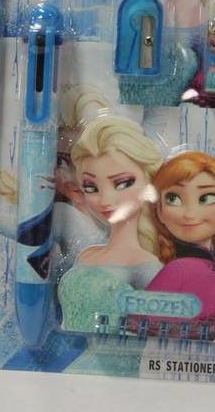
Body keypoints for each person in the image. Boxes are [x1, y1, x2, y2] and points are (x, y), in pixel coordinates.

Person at [57, 115, 163, 332]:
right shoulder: (86, 254)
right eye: (91, 187)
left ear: (148, 180)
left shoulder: (147, 266)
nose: (105, 200)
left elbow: (157, 330)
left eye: (122, 183)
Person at [145, 151, 215, 343]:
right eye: (173, 198)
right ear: (160, 212)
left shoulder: (203, 269)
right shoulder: (181, 270)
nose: (190, 214)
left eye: (206, 198)